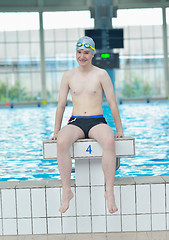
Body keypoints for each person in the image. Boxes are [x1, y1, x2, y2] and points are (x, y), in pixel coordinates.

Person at [52, 36, 124, 214]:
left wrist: (119, 129)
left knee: (108, 141)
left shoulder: (101, 74)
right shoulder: (68, 76)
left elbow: (113, 103)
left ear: (92, 54)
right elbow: (61, 105)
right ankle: (67, 191)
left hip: (96, 120)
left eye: (86, 53)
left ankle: (109, 191)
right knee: (61, 142)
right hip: (76, 121)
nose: (82, 56)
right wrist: (56, 130)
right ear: (75, 53)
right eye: (79, 52)